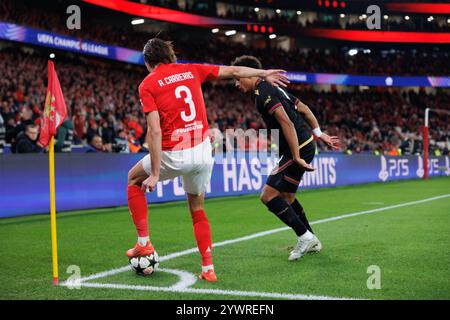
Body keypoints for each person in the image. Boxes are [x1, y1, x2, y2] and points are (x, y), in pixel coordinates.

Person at [126, 38, 288, 282]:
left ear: (149, 62)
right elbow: (234, 70)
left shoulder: (147, 84)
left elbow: (155, 131)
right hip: (202, 151)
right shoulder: (191, 70)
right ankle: (208, 269)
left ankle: (144, 243)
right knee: (197, 209)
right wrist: (264, 73)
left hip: (175, 151)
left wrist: (157, 173)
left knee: (133, 179)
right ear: (170, 56)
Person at [231, 55, 340, 261]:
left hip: (296, 148)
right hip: (304, 144)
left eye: (238, 77)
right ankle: (312, 239)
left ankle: (304, 236)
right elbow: (304, 108)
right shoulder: (272, 88)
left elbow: (287, 123)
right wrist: (319, 133)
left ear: (248, 74)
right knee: (288, 198)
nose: (236, 83)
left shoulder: (263, 93)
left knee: (267, 195)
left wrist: (296, 156)